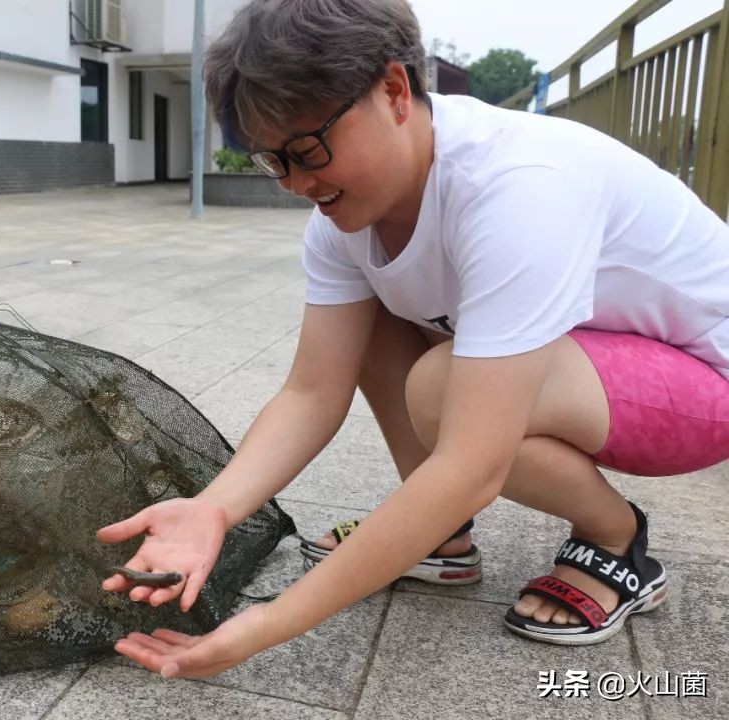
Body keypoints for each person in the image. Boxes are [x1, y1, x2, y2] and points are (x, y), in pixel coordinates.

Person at [97, 0, 729, 679]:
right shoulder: (344, 219)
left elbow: (471, 465)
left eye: (307, 150)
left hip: (705, 378)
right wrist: (213, 509)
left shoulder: (518, 190)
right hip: (592, 356)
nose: (299, 185)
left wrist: (270, 623)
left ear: (395, 90)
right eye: (273, 162)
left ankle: (616, 539)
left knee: (441, 390)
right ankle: (440, 539)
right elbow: (312, 393)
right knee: (372, 318)